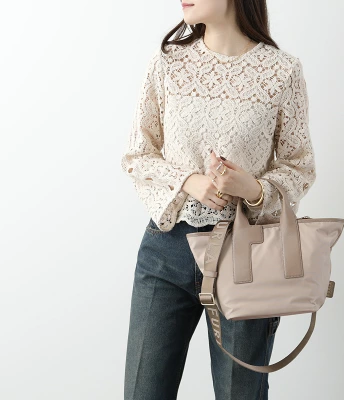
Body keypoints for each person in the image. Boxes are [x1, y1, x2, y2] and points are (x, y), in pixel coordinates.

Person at [120, 1, 316, 399]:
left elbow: (299, 167)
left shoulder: (281, 71)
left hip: (246, 256)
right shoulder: (168, 63)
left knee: (239, 393)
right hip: (167, 248)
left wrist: (253, 189)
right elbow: (137, 155)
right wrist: (188, 181)